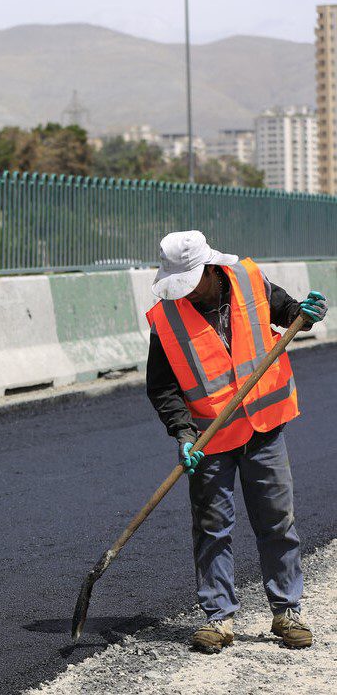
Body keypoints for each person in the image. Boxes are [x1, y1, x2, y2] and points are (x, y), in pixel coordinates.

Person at [145, 230, 327, 654]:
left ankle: (287, 610)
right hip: (211, 437)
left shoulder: (248, 279)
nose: (186, 294)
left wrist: (305, 311)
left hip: (264, 426)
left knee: (277, 521)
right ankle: (218, 617)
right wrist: (183, 433)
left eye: (192, 283)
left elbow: (285, 310)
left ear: (210, 269)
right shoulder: (166, 318)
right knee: (212, 528)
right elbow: (162, 386)